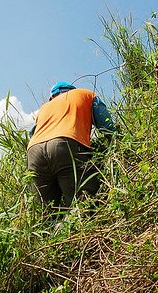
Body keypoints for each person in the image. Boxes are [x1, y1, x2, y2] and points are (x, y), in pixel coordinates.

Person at [27, 81, 117, 209]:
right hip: (65, 144)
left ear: (52, 97)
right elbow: (106, 125)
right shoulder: (86, 94)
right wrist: (118, 143)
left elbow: (32, 133)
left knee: (45, 211)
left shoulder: (45, 107)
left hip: (34, 152)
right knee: (83, 203)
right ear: (72, 90)